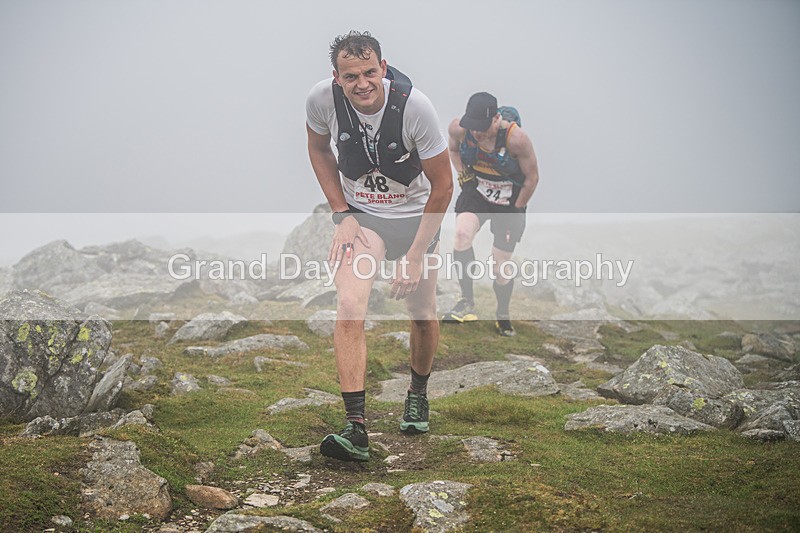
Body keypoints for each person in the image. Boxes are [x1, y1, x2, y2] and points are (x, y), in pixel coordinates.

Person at [305, 31, 452, 461]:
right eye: (351, 76)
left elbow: (443, 188)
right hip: (363, 219)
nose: (362, 83)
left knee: (422, 315)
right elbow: (317, 149)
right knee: (350, 307)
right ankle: (356, 427)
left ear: (383, 69)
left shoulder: (415, 108)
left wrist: (416, 255)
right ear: (337, 77)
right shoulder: (321, 100)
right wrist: (341, 213)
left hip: (415, 222)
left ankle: (417, 393)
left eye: (370, 72)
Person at [441, 92, 539, 336]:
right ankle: (466, 301)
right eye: (473, 127)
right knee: (461, 235)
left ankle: (502, 314)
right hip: (477, 191)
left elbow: (532, 178)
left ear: (497, 119)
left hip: (509, 201)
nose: (477, 133)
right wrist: (464, 175)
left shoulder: (517, 139)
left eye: (483, 128)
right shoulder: (459, 129)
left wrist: (517, 208)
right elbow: (453, 151)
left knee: (500, 265)